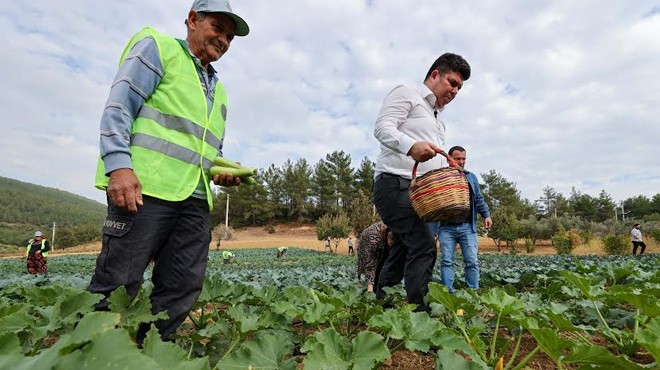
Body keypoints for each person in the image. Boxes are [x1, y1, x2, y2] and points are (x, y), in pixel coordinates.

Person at [87, 0, 250, 344]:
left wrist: (223, 172)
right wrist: (119, 166)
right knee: (118, 282)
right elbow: (118, 108)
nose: (223, 40)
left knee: (183, 284)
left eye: (230, 37)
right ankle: (92, 353)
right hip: (145, 190)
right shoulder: (158, 49)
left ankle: (150, 350)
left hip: (194, 199)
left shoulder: (218, 90)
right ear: (193, 19)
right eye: (218, 28)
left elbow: (209, 150)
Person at [372, 53, 471, 312]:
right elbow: (382, 127)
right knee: (425, 243)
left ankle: (383, 306)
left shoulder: (438, 119)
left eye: (459, 87)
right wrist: (410, 145)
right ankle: (419, 311)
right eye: (452, 82)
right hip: (394, 184)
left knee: (404, 247)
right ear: (435, 74)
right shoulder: (407, 93)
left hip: (421, 193)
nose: (455, 90)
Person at [438, 146, 492, 293]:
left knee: (472, 262)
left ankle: (473, 293)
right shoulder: (441, 177)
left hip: (467, 227)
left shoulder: (471, 177)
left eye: (463, 159)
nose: (461, 162)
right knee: (447, 261)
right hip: (446, 227)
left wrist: (486, 215)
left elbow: (479, 199)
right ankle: (448, 293)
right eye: (457, 158)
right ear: (449, 158)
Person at [356, 222, 393, 292]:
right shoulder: (374, 240)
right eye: (391, 243)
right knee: (365, 265)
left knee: (384, 264)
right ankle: (365, 286)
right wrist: (370, 290)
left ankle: (382, 287)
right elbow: (371, 264)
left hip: (382, 240)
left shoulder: (396, 229)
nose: (392, 246)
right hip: (366, 243)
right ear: (388, 235)